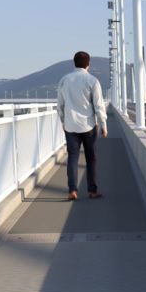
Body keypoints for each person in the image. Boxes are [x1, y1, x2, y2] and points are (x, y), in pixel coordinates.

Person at [57, 51, 107, 201]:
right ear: (88, 64)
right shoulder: (92, 81)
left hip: (70, 126)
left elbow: (60, 105)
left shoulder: (64, 80)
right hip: (89, 126)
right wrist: (103, 124)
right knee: (91, 158)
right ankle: (92, 191)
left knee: (72, 158)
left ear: (74, 63)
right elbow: (99, 106)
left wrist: (63, 122)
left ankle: (72, 190)